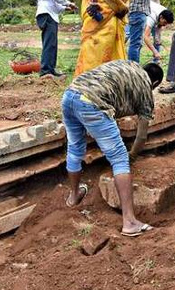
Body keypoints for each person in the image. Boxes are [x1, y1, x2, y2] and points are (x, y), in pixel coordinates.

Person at [62, 60, 163, 237]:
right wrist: (132, 156)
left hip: (70, 95)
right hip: (92, 103)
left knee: (75, 148)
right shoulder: (146, 89)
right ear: (154, 83)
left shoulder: (128, 64)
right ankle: (130, 222)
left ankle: (74, 196)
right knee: (120, 158)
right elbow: (141, 136)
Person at [35, 0, 77, 80]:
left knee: (51, 44)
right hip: (47, 14)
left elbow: (52, 2)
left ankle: (50, 70)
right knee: (50, 44)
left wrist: (65, 8)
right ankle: (46, 72)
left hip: (48, 13)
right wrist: (68, 2)